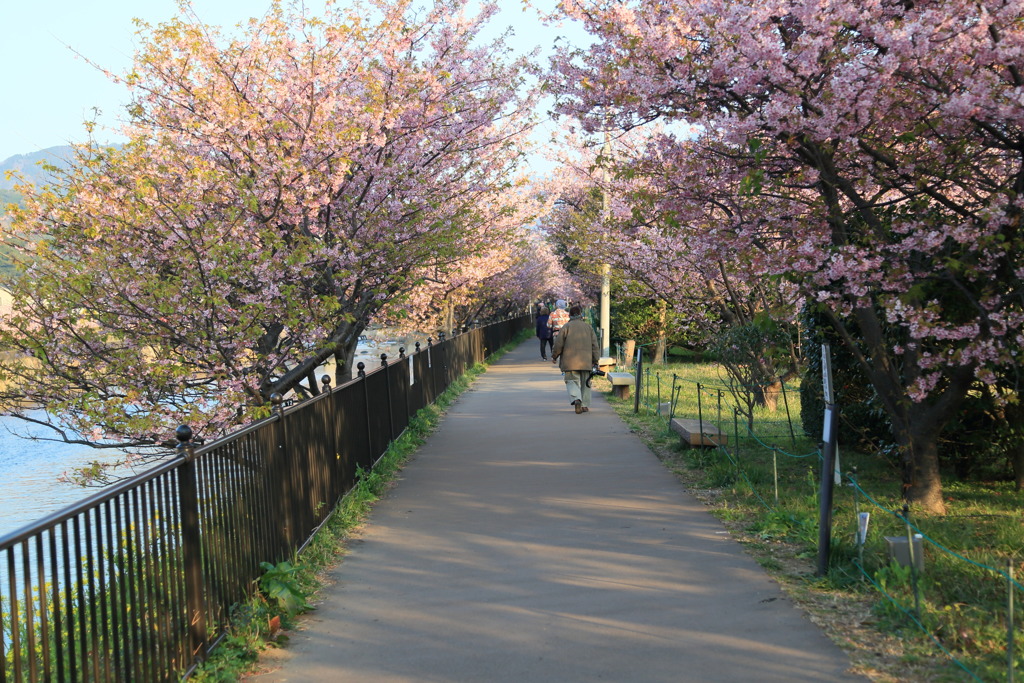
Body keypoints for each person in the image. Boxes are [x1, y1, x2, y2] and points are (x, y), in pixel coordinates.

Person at [551, 304, 600, 414]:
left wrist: (555, 356)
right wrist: (596, 359)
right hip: (586, 361)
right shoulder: (588, 327)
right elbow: (594, 345)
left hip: (569, 362)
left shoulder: (566, 327)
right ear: (580, 314)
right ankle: (585, 405)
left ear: (570, 315)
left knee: (572, 381)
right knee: (586, 383)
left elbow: (558, 344)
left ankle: (576, 398)